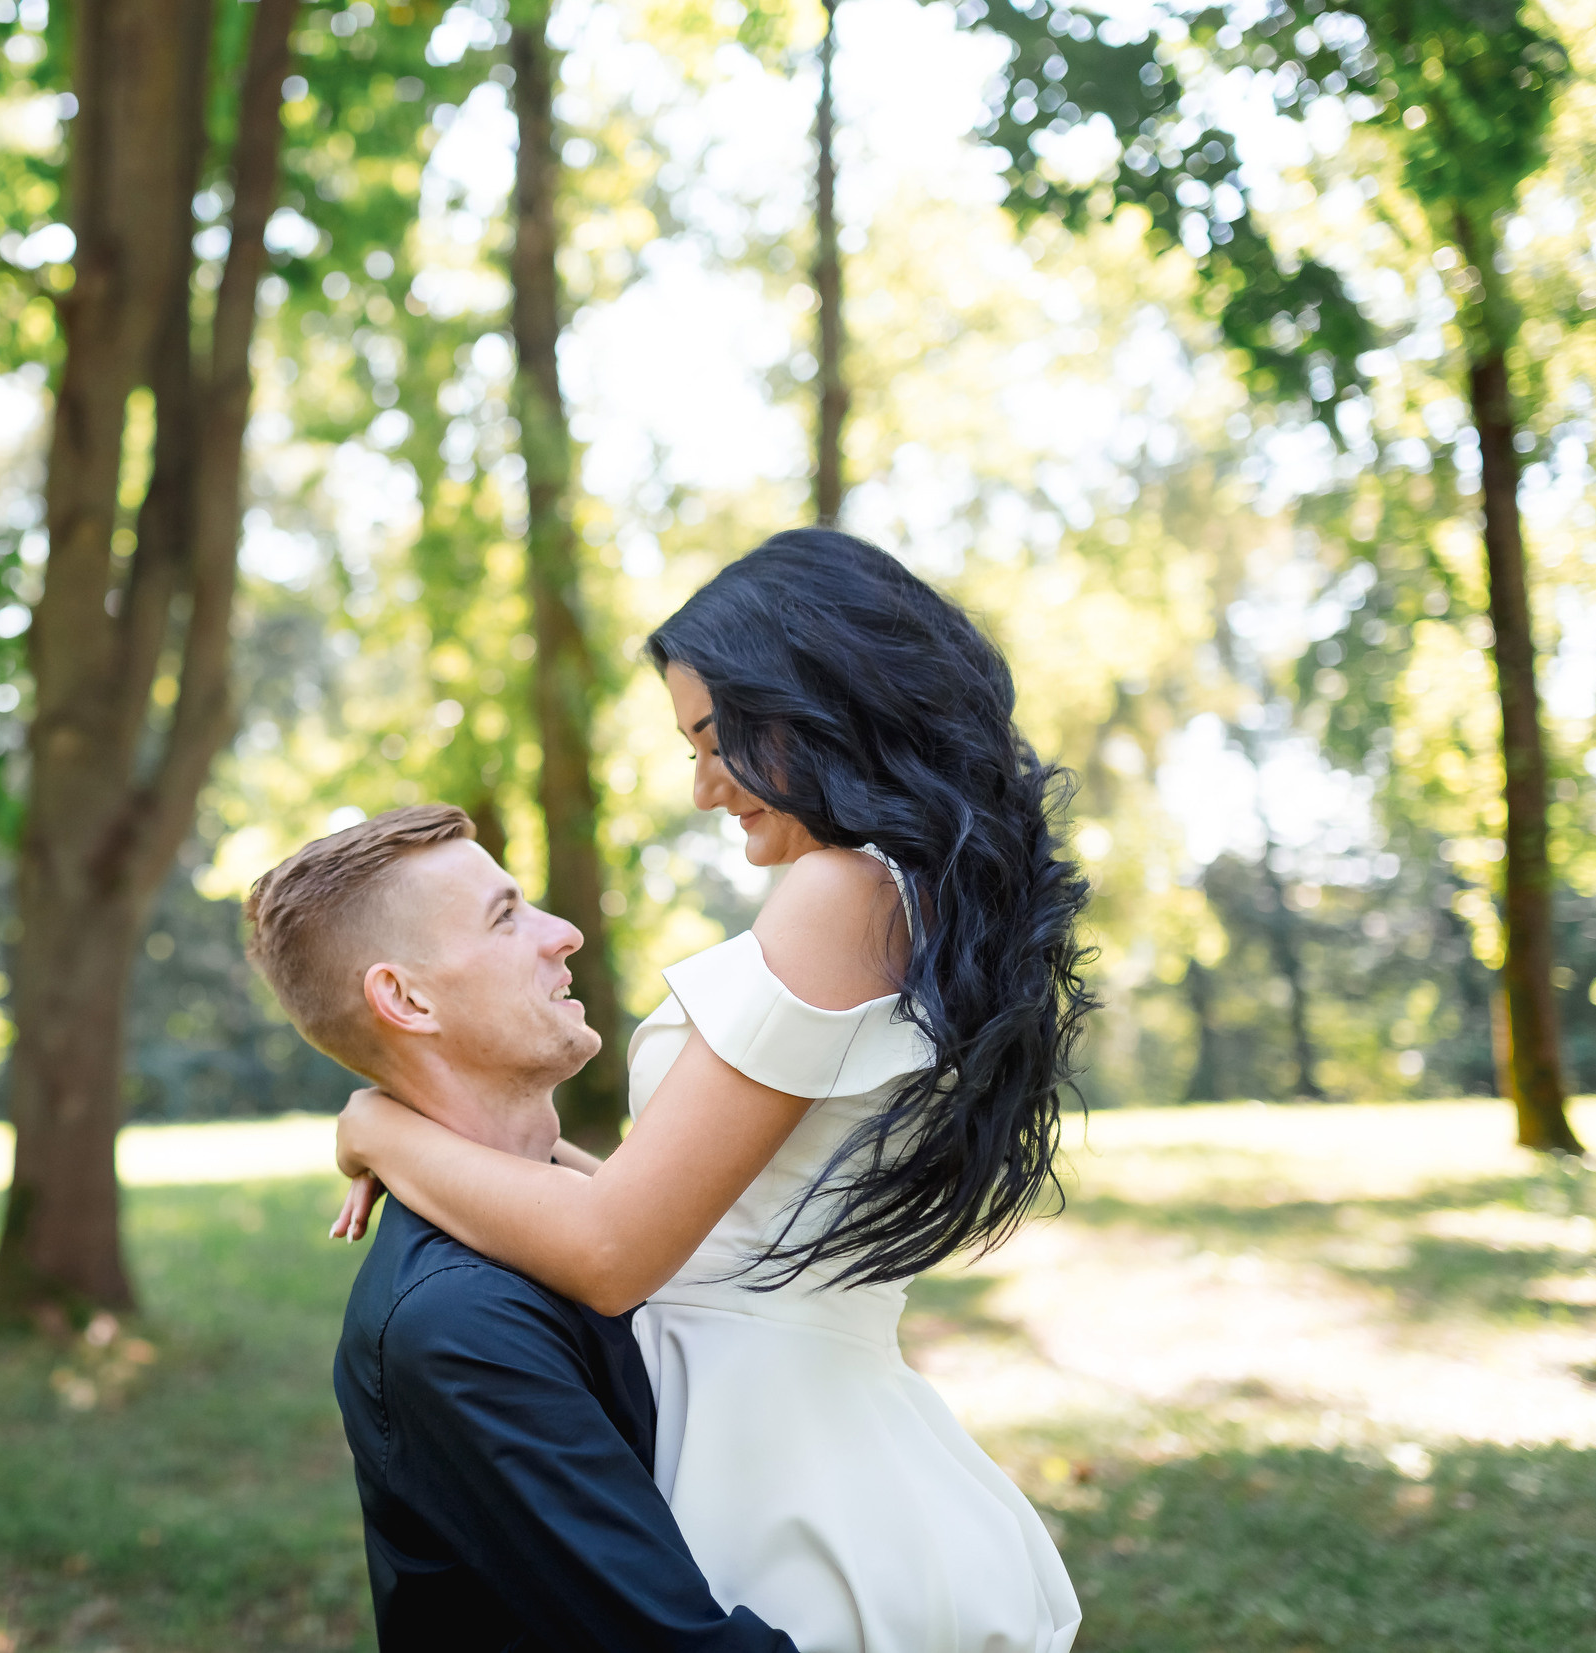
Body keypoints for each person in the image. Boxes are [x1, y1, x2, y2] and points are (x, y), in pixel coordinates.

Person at [333, 528, 1089, 1653]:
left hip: (782, 1473)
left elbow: (611, 1250)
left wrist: (381, 1124)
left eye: (709, 736)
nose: (700, 786)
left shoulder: (838, 892)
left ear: (810, 699)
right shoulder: (910, 897)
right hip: (811, 1423)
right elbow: (699, 1218)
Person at [243, 804, 799, 1653]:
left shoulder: (593, 1220)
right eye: (507, 916)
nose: (568, 933)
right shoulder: (458, 1324)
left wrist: (383, 1126)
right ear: (405, 996)